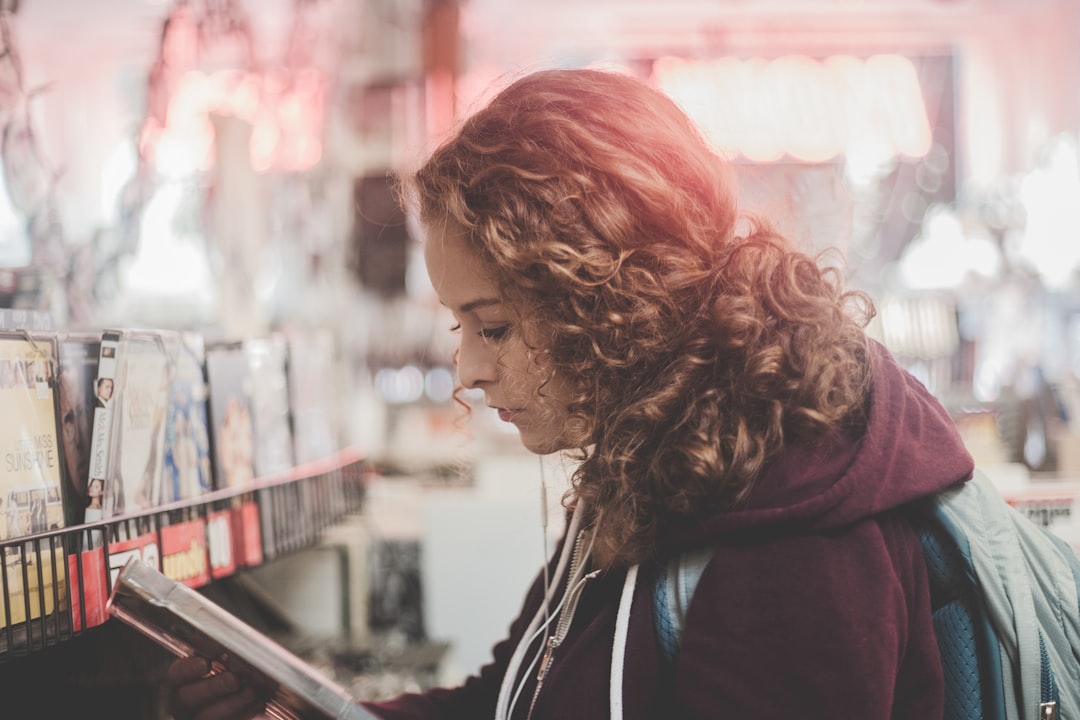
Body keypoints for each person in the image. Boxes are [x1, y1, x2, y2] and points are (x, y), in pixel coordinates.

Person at [167, 67, 974, 719]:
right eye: (460, 328)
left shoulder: (793, 533)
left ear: (608, 303)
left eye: (495, 328)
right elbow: (510, 700)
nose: (467, 374)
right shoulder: (652, 467)